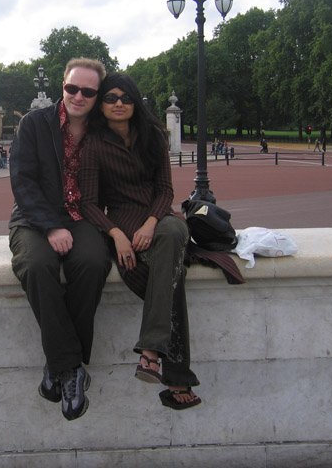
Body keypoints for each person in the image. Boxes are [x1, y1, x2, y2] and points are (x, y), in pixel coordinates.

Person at [79, 72, 202, 411]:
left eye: (126, 98)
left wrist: (151, 223)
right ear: (101, 105)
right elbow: (88, 202)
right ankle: (177, 376)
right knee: (170, 277)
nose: (119, 103)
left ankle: (150, 350)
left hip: (157, 215)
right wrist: (116, 235)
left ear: (135, 102)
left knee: (176, 231)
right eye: (111, 98)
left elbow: (165, 190)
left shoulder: (154, 137)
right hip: (119, 218)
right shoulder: (92, 144)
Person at [8, 57, 110, 422]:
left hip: (82, 217)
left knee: (93, 262)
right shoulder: (34, 124)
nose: (78, 96)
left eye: (87, 91)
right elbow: (23, 181)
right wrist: (50, 226)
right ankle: (72, 367)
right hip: (33, 218)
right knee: (37, 266)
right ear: (61, 86)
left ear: (97, 96)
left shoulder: (103, 130)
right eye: (72, 88)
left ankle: (60, 367)